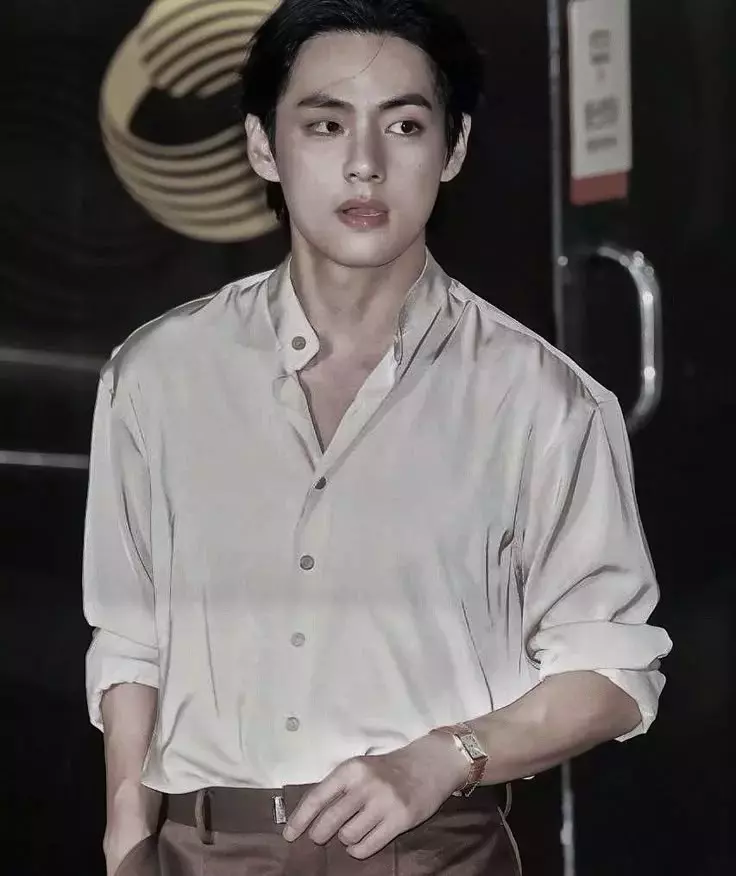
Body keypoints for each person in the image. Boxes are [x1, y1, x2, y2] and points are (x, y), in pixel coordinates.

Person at [82, 1, 673, 874]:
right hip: (203, 848)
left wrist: (446, 757)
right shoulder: (158, 376)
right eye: (325, 125)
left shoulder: (544, 401)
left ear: (453, 149)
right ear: (262, 147)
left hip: (431, 848)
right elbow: (131, 636)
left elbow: (614, 671)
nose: (365, 164)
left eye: (404, 126)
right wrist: (127, 834)